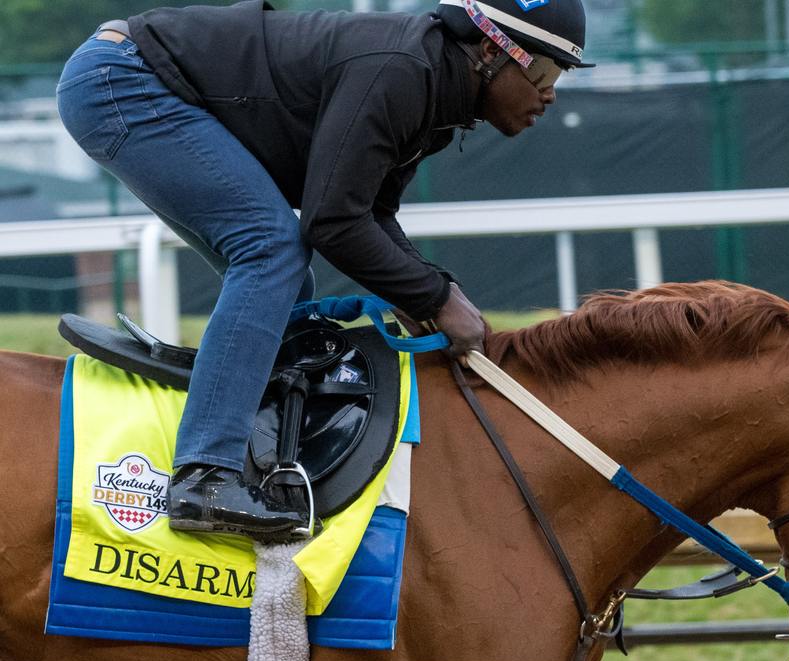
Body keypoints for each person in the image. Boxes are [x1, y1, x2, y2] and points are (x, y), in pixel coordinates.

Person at [56, 0, 593, 542]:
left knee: (289, 279)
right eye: (544, 70)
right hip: (124, 79)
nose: (549, 93)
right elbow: (332, 221)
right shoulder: (404, 71)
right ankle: (204, 478)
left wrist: (428, 294)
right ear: (489, 51)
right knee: (272, 250)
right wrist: (434, 297)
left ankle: (262, 449)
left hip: (133, 74)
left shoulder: (437, 90)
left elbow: (372, 214)